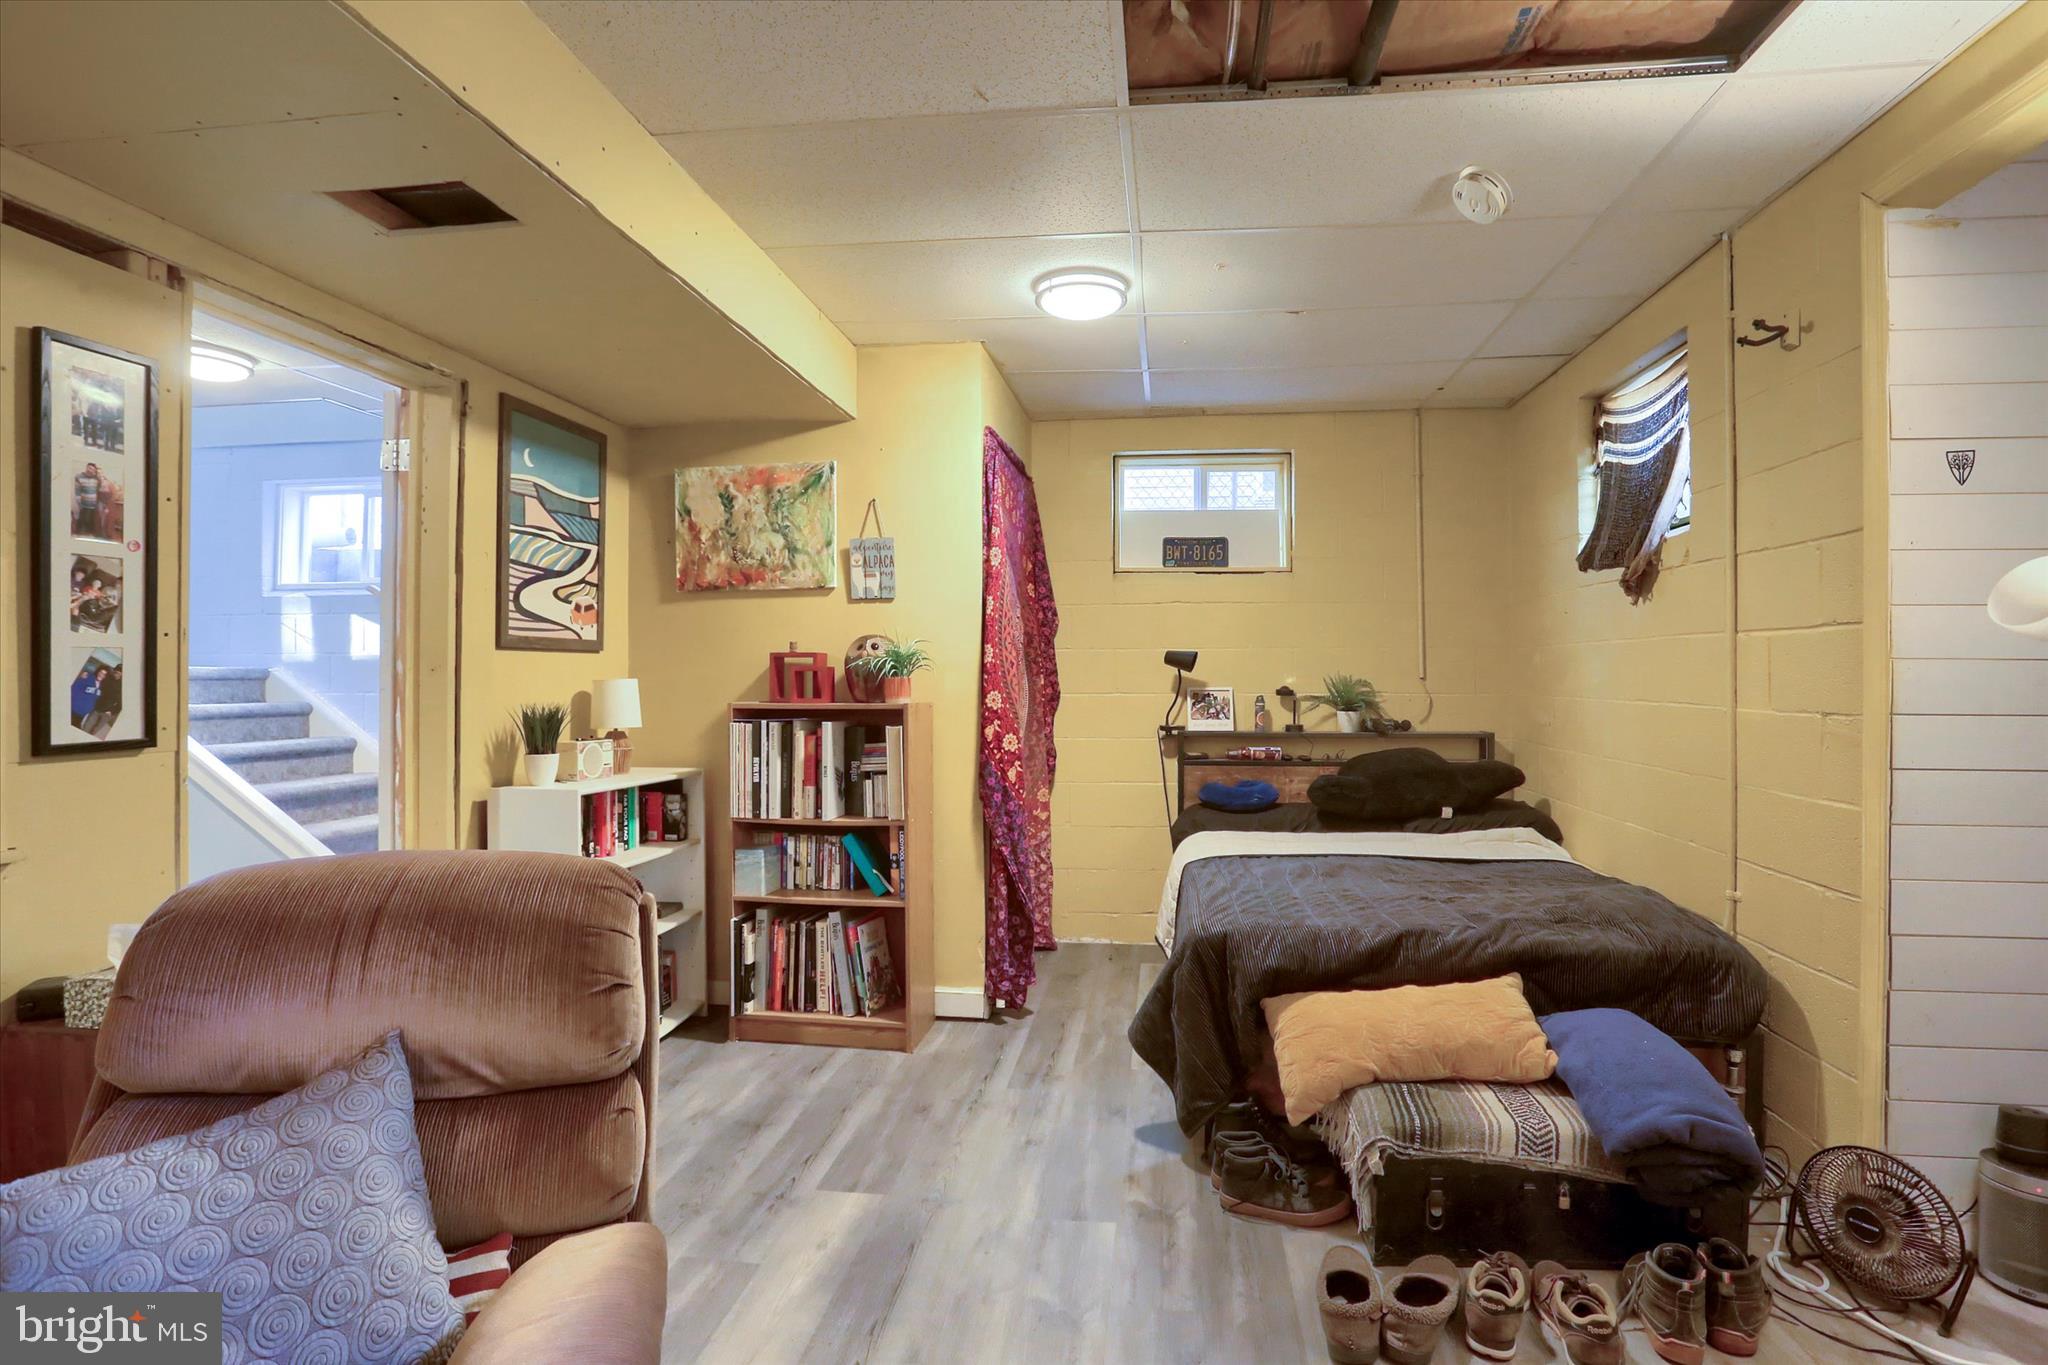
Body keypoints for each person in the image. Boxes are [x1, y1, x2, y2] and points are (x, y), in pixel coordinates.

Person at [70, 664, 102, 732]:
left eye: (104, 674)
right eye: (101, 672)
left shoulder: (102, 686)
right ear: (98, 671)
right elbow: (74, 689)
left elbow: (95, 700)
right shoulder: (88, 677)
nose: (101, 675)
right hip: (73, 710)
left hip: (83, 714)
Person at [73, 463, 102, 537]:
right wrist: (79, 503)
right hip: (83, 503)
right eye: (89, 468)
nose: (91, 470)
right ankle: (78, 534)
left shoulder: (96, 478)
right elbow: (77, 491)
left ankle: (89, 535)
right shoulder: (78, 477)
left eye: (93, 469)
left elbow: (99, 489)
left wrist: (98, 476)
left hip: (94, 504)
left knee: (91, 520)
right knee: (82, 519)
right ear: (86, 468)